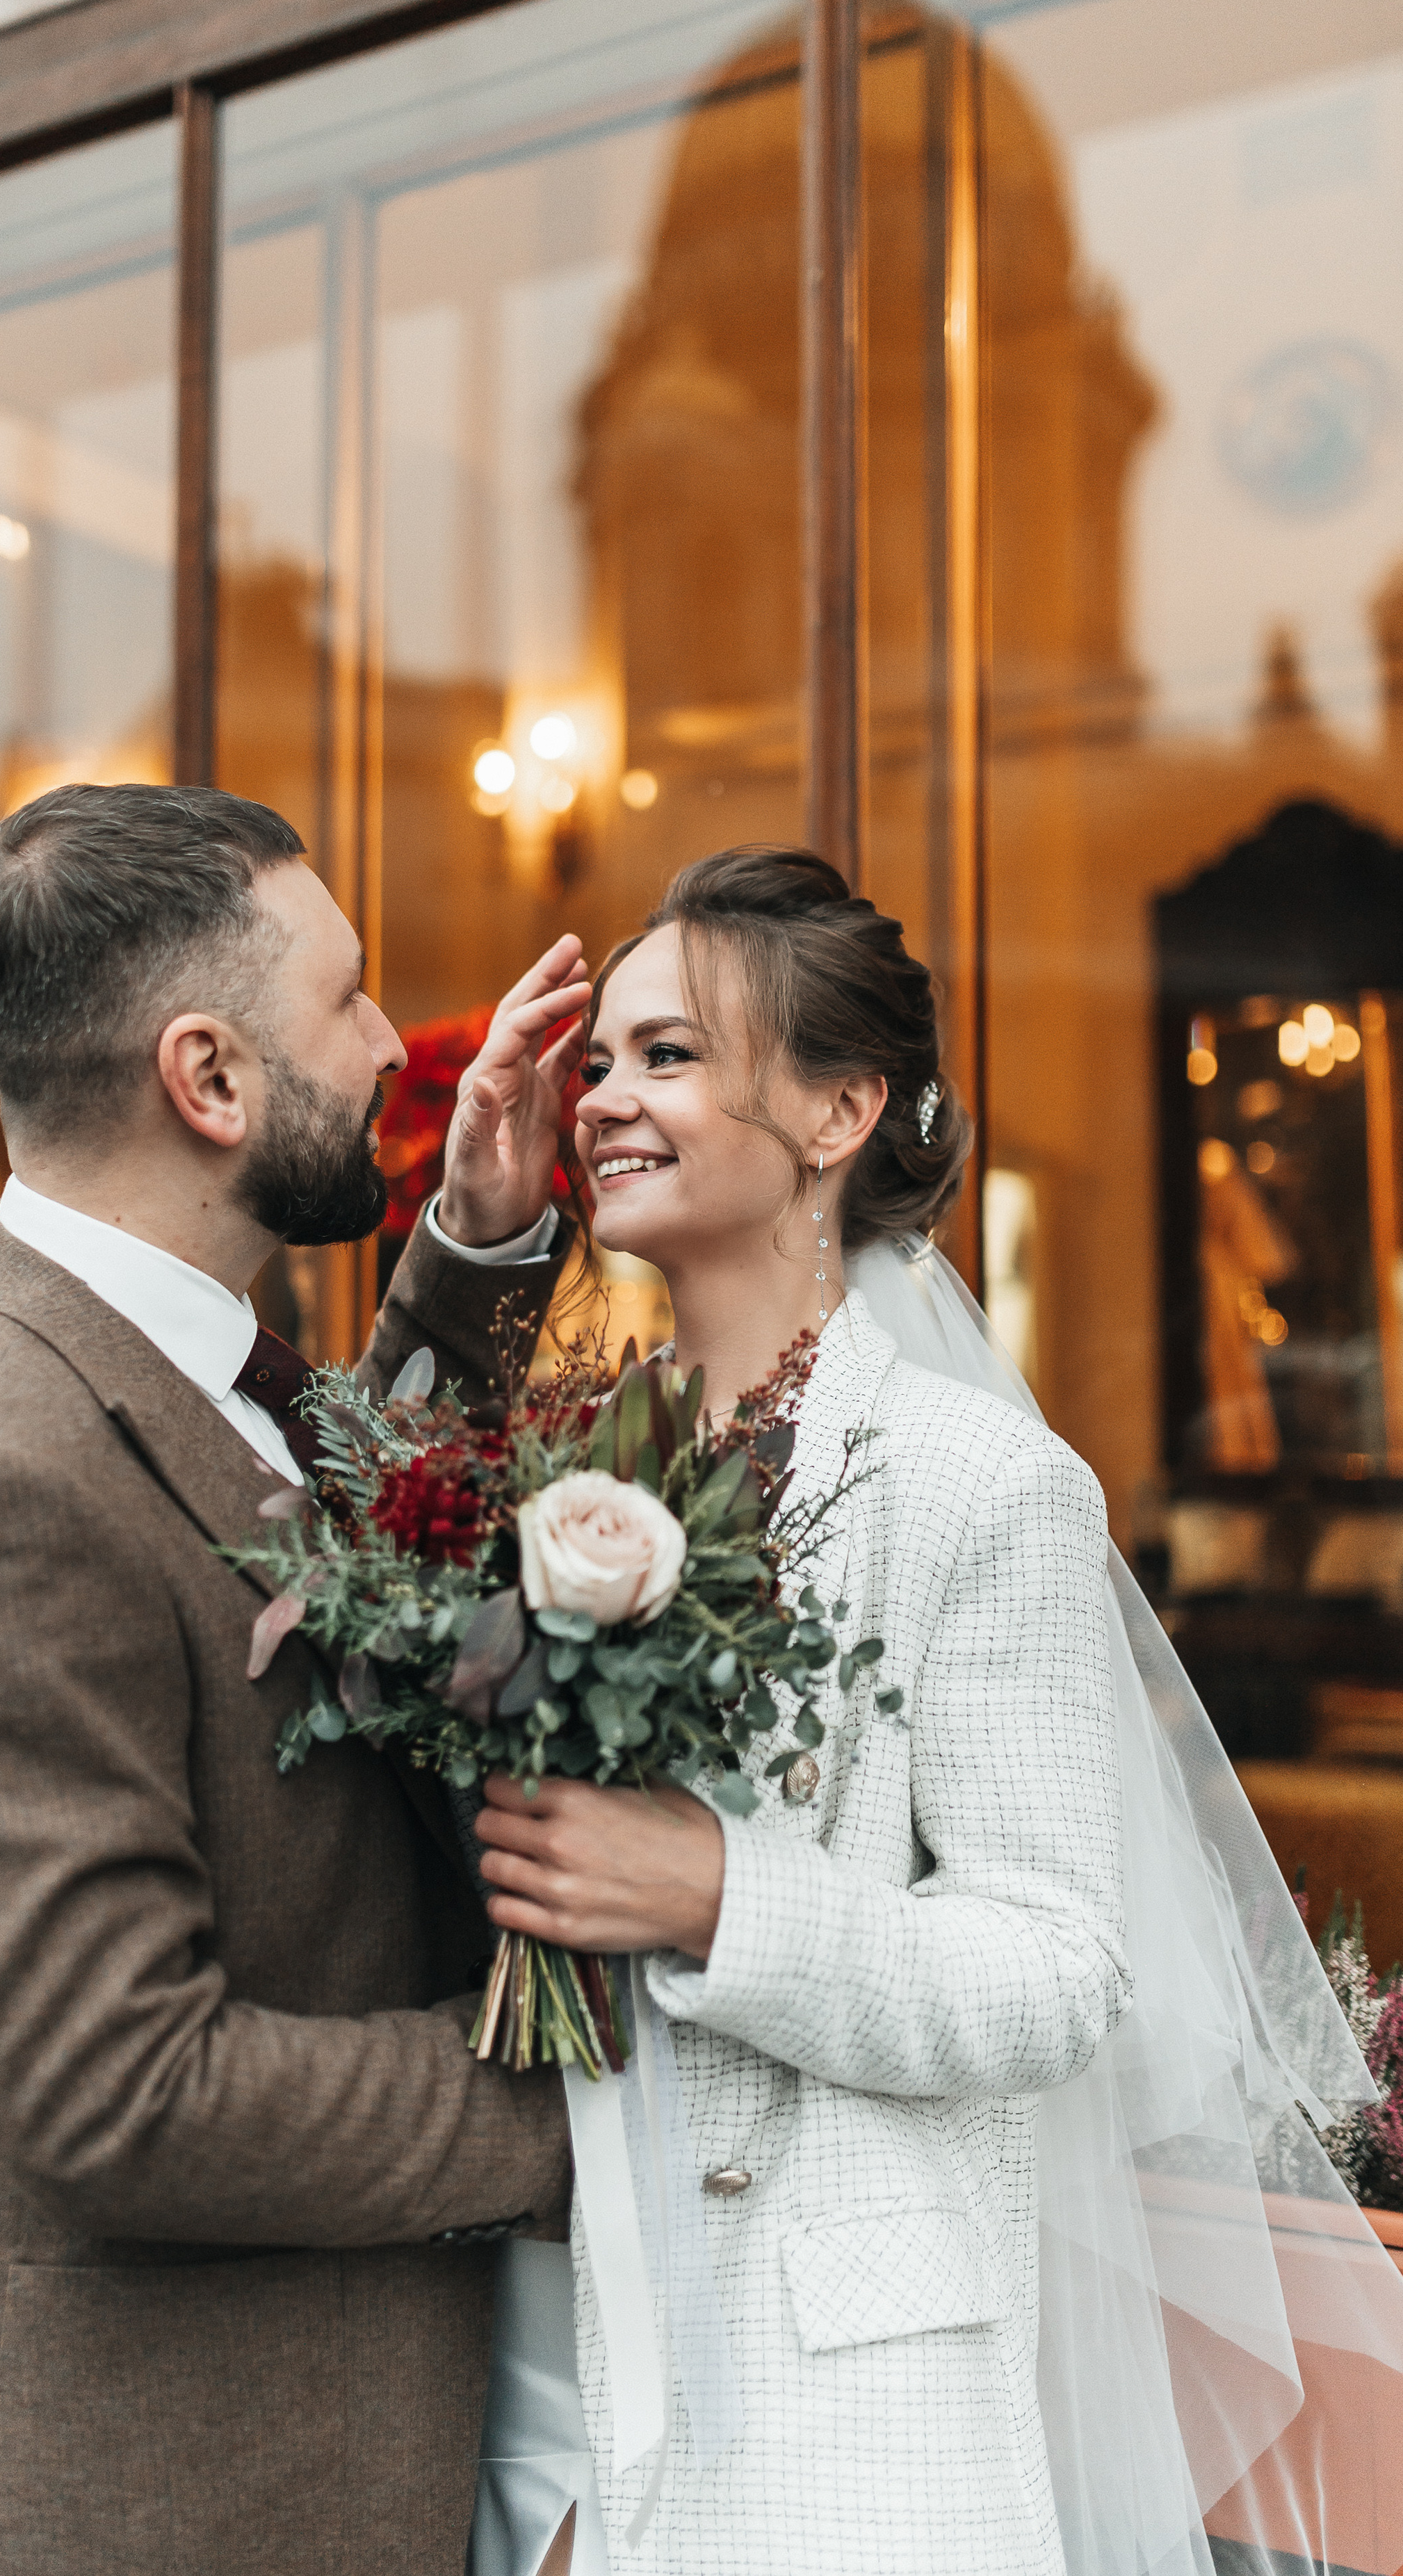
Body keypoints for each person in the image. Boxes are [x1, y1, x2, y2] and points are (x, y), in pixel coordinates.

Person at [468, 845, 1403, 2576]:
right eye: (599, 1057)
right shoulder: (579, 1459)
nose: (603, 1094)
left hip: (846, 2395)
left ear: (836, 1112)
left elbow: (1060, 1965)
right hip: (567, 2327)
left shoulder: (975, 1479)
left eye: (668, 1055)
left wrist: (714, 1894)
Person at [0, 781, 592, 2576]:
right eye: (350, 997)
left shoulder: (171, 1359)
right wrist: (571, 2116)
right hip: (151, 2511)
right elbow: (119, 2092)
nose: (398, 1045)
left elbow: (330, 1569)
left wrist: (470, 1247)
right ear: (210, 1078)